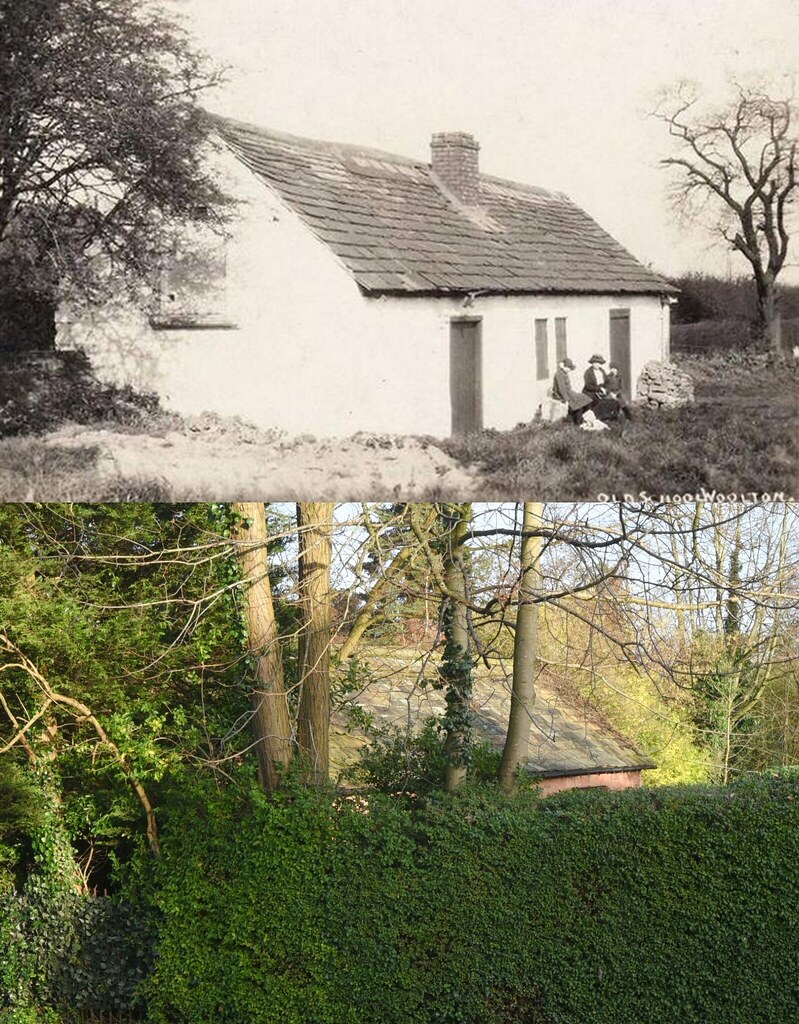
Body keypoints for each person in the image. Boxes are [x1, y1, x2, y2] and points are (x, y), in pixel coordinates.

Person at [552, 357, 592, 424]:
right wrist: (566, 399)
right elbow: (561, 389)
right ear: (564, 367)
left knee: (586, 398)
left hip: (568, 392)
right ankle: (577, 421)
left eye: (570, 368)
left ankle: (578, 417)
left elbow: (567, 387)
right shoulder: (559, 374)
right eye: (568, 368)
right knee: (579, 402)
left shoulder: (564, 373)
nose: (569, 370)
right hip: (561, 394)